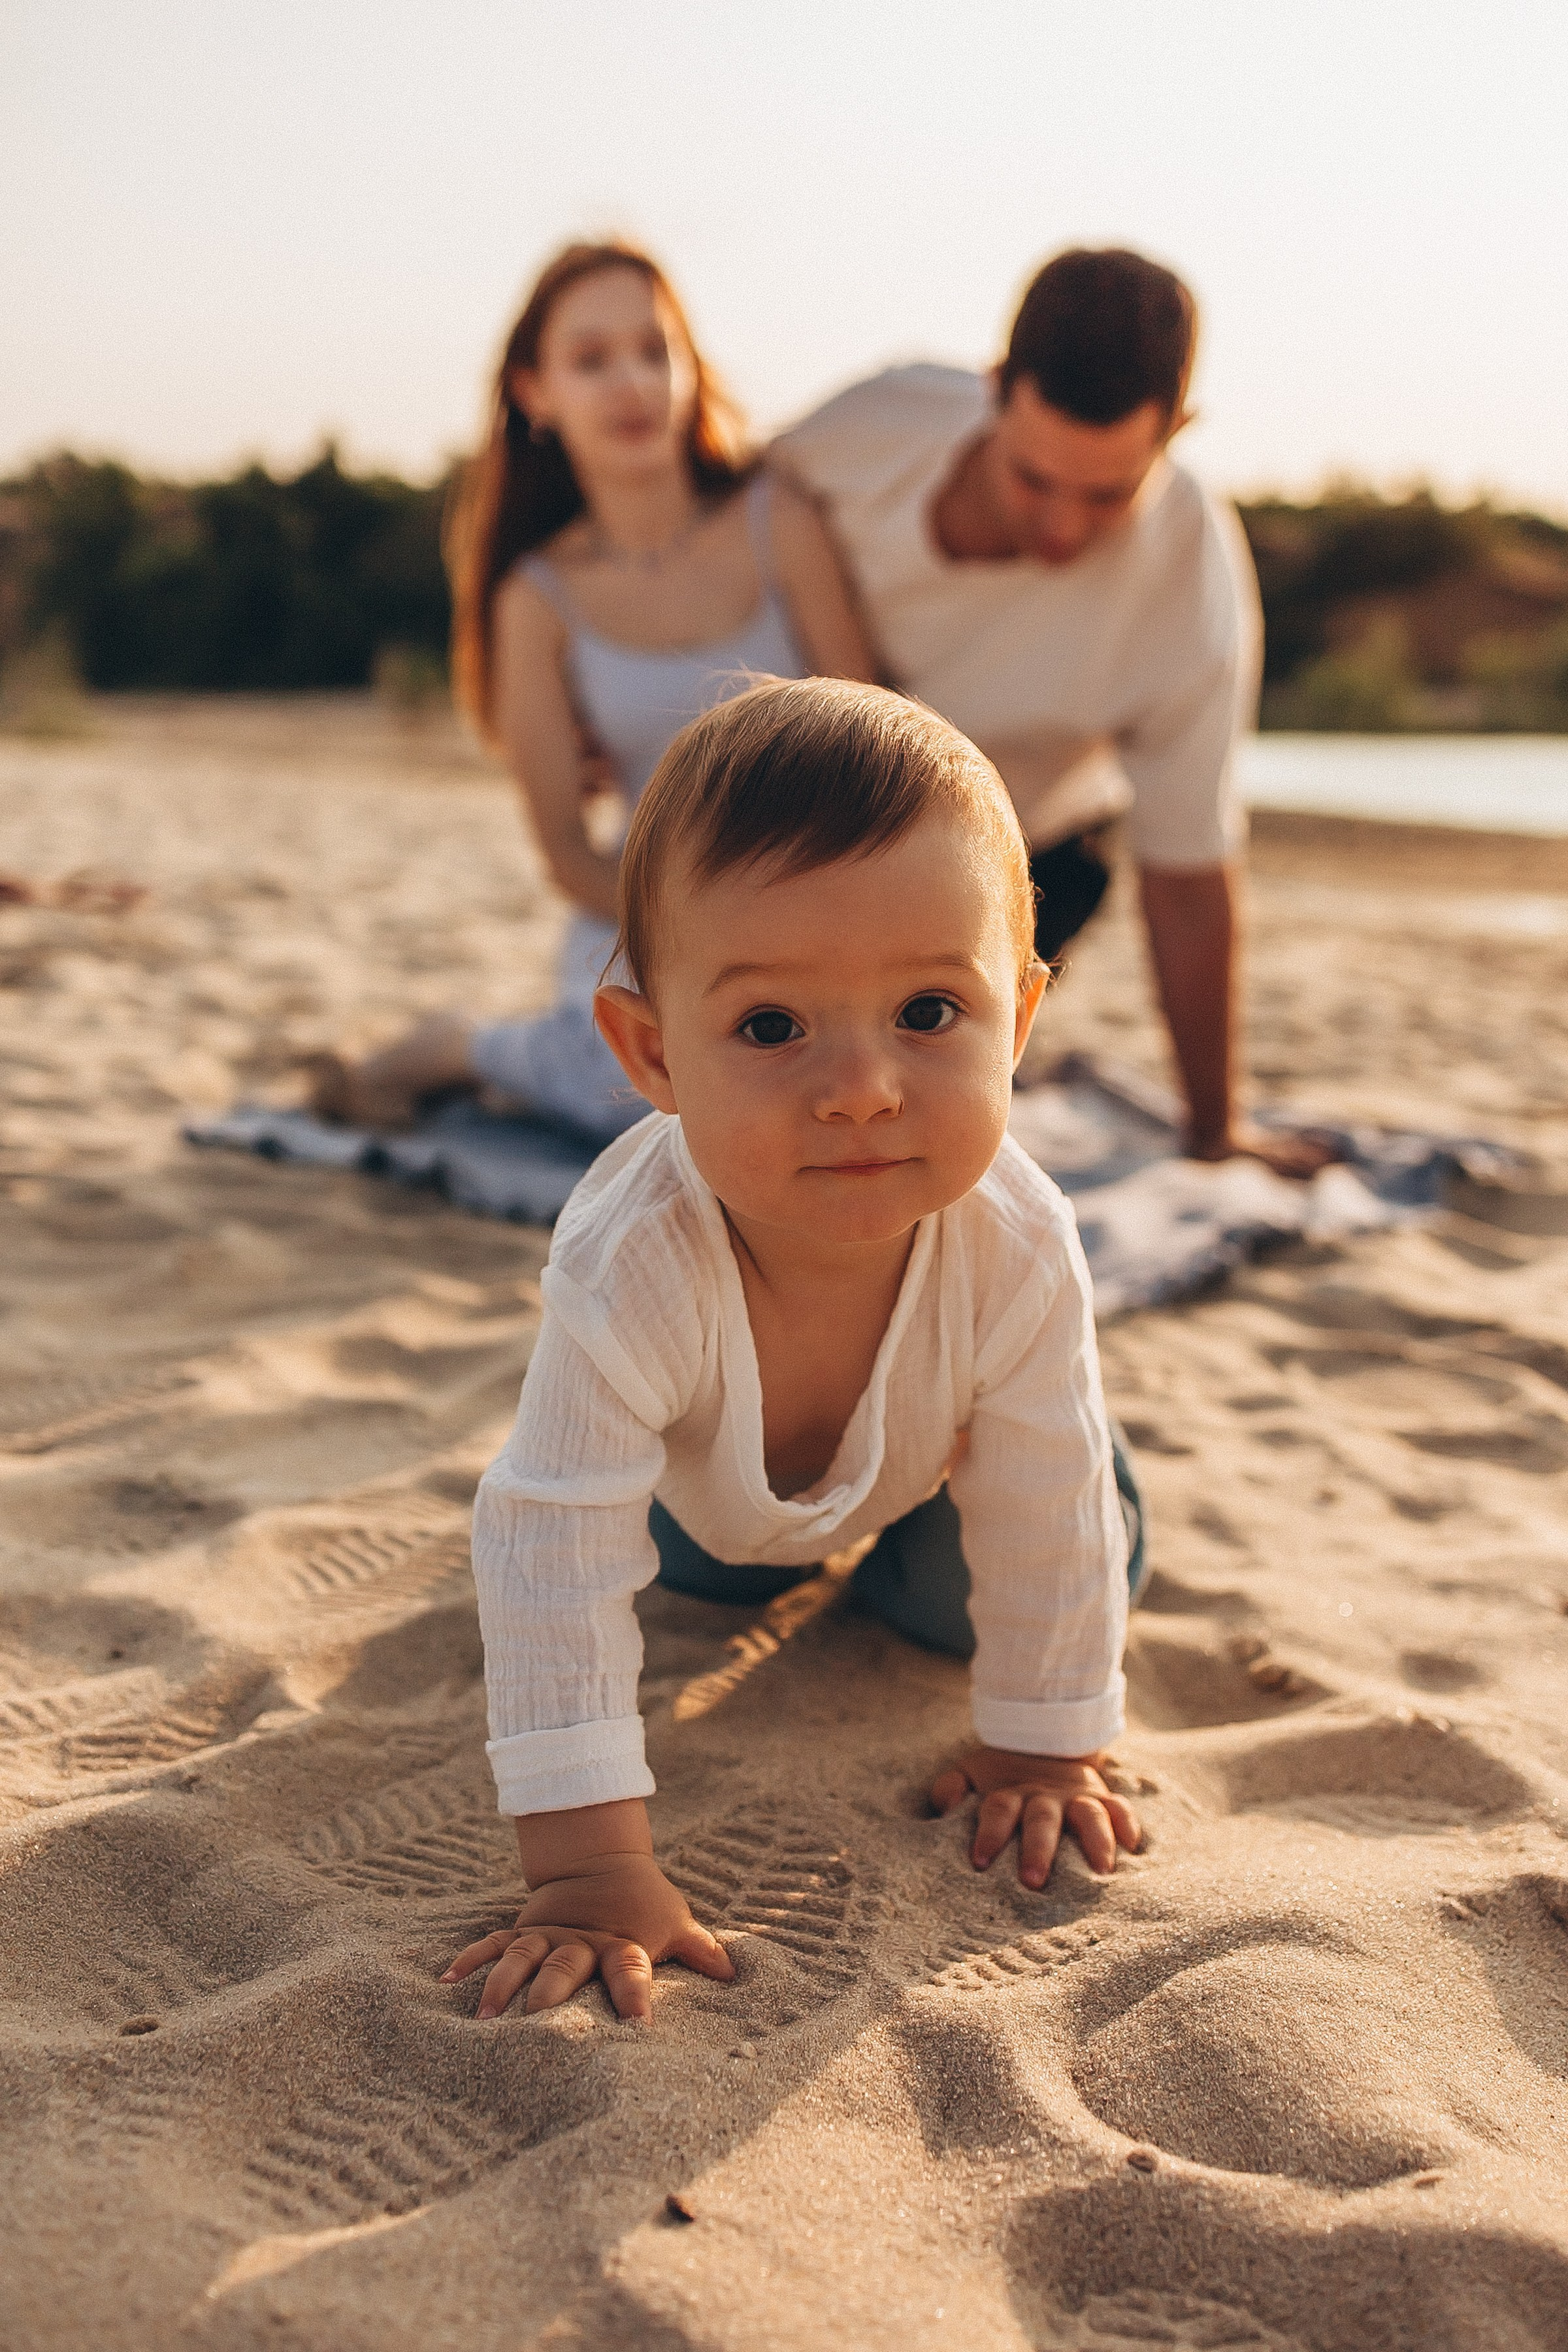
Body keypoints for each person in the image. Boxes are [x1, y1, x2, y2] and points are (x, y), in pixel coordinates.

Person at [442, 678, 1143, 2025]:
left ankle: (939, 1548)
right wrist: (589, 1872)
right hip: (718, 1485)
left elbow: (1046, 1506)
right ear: (652, 1050)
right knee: (690, 1576)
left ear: (1024, 1019)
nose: (863, 1087)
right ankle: (808, 1543)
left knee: (988, 1577)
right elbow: (551, 1544)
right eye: (771, 1028)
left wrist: (1044, 1747)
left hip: (956, 1461)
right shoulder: (633, 1254)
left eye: (931, 1013)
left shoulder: (1020, 1238)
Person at [771, 246, 1330, 1179]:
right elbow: (701, 528)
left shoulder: (1193, 580)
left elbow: (1188, 878)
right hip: (809, 802)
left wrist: (1215, 1130)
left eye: (1108, 493)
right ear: (993, 391)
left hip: (1024, 866)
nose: (1064, 528)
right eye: (1035, 480)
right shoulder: (880, 421)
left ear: (1177, 430)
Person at [308, 240, 874, 1136]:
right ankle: (462, 1048)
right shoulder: (536, 598)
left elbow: (879, 745)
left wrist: (808, 916)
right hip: (651, 927)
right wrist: (714, 930)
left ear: (692, 372)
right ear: (536, 394)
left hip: (834, 901)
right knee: (654, 1097)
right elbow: (567, 853)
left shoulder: (782, 522)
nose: (633, 383)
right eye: (592, 359)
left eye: (656, 351)